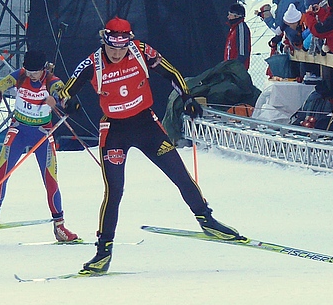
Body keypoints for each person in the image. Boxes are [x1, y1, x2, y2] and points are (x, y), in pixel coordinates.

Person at [59, 17, 241, 274]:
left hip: (147, 126)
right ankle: (103, 252)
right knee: (114, 191)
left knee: (179, 173)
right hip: (114, 131)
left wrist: (187, 97)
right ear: (105, 40)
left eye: (122, 46)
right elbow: (65, 91)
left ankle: (207, 220)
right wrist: (69, 104)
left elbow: (172, 73)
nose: (117, 51)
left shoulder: (142, 52)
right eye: (112, 46)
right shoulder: (92, 64)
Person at [0, 50, 79, 242]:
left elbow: (66, 101)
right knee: (2, 170)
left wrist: (60, 103)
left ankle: (59, 226)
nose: (31, 75)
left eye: (34, 72)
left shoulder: (52, 81)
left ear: (43, 69)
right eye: (28, 71)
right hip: (19, 130)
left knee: (50, 179)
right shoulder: (20, 75)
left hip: (42, 133)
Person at [224, 4, 252, 70]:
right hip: (230, 68)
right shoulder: (234, 28)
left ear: (236, 16)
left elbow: (242, 52)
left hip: (236, 70)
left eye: (230, 14)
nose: (228, 17)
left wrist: (236, 67)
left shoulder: (241, 28)